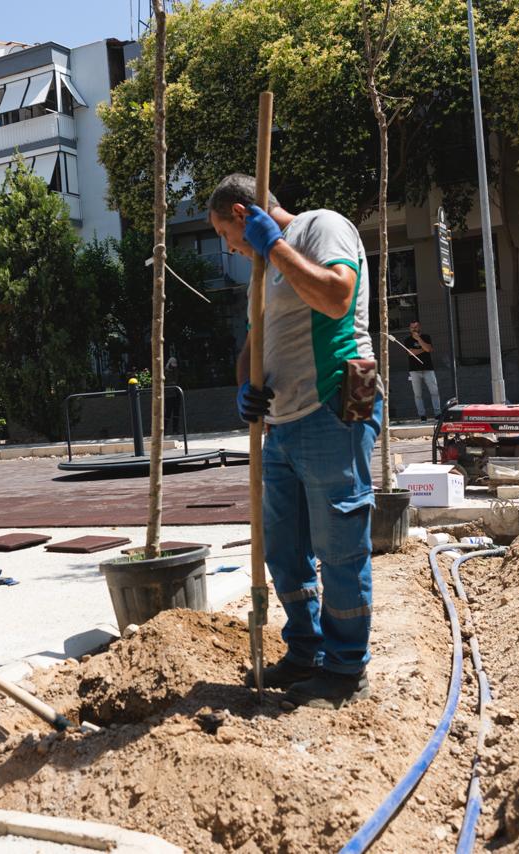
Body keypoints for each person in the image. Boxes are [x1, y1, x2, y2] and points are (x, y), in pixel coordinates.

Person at [208, 173, 382, 710]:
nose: (228, 248)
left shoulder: (319, 228)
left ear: (243, 214)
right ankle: (305, 649)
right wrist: (244, 387)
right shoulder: (262, 272)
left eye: (226, 234)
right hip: (281, 425)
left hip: (333, 407)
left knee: (339, 546)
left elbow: (335, 297)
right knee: (283, 547)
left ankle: (346, 667)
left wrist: (274, 245)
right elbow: (253, 344)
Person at [405, 320, 441, 419]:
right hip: (414, 370)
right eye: (412, 327)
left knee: (434, 391)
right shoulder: (407, 340)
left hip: (428, 369)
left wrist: (419, 339)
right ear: (409, 329)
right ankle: (422, 415)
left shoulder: (426, 337)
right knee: (418, 394)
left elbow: (428, 349)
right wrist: (423, 349)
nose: (414, 329)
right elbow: (411, 353)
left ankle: (437, 413)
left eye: (416, 327)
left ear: (419, 327)